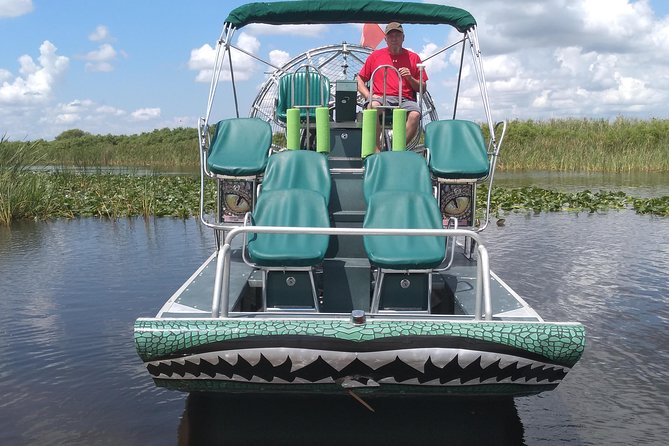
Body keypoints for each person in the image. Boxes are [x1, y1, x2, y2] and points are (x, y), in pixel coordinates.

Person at [356, 22, 428, 151]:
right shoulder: (375, 56)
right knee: (372, 106)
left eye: (397, 35)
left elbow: (422, 88)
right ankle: (377, 151)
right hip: (381, 98)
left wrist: (410, 78)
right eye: (391, 36)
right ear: (385, 39)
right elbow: (359, 79)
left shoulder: (414, 57)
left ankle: (396, 150)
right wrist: (369, 96)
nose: (394, 39)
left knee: (415, 114)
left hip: (405, 99)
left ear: (403, 38)